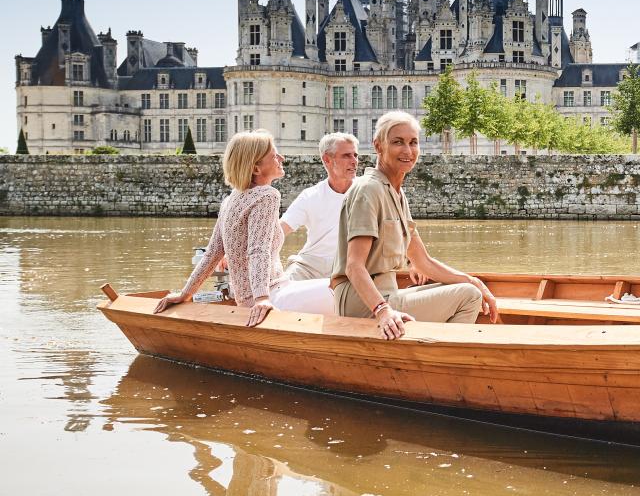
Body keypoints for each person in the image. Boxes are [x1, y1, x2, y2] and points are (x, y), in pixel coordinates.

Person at [331, 111, 498, 339]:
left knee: (470, 288)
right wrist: (383, 311)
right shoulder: (369, 190)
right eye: (398, 142)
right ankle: (439, 361)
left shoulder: (396, 194)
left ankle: (429, 354)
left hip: (387, 294)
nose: (408, 151)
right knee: (468, 296)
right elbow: (353, 266)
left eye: (413, 142)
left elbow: (423, 262)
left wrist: (474, 280)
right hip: (362, 301)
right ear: (378, 146)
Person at [154, 130, 334, 326]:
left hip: (257, 296)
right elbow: (258, 250)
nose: (281, 158)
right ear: (256, 168)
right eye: (274, 155)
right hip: (273, 295)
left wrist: (185, 293)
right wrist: (262, 299)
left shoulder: (230, 200)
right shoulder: (266, 195)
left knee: (339, 284)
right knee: (346, 289)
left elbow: (212, 253)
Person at [280, 132, 358, 281]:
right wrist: (237, 252)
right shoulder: (310, 196)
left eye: (355, 155)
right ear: (327, 160)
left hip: (349, 266)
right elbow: (280, 230)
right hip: (310, 266)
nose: (354, 161)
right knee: (281, 288)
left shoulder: (367, 191)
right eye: (347, 156)